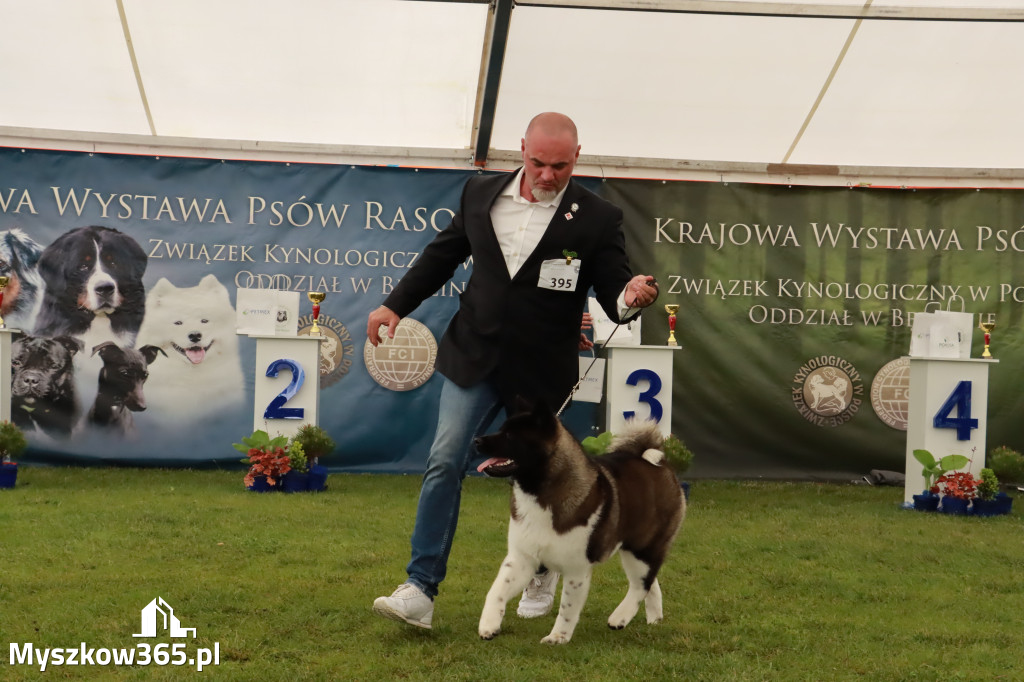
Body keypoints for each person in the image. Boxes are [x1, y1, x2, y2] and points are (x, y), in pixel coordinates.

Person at [367, 112, 659, 629]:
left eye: (560, 166)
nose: (548, 175)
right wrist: (394, 306)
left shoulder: (597, 218)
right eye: (538, 163)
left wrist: (632, 297)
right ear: (521, 149)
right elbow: (440, 257)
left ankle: (545, 568)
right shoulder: (479, 194)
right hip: (474, 354)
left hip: (542, 371)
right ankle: (420, 588)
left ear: (578, 157)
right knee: (443, 462)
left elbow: (616, 297)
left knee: (547, 479)